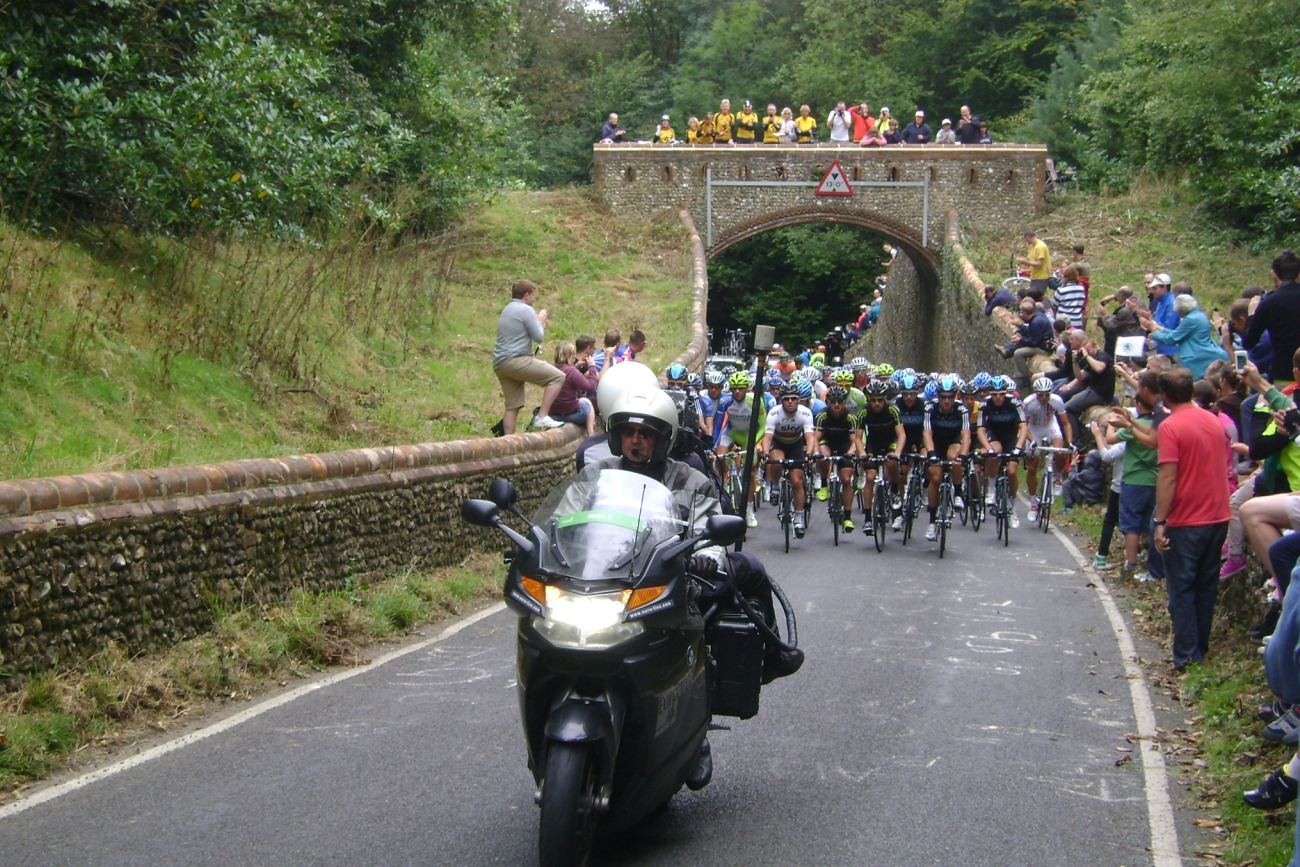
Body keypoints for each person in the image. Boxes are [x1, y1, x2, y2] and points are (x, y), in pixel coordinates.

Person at [1153, 366, 1232, 671]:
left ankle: (1186, 654)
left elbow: (1168, 476)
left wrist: (1161, 520)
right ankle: (1200, 646)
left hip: (1188, 518)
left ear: (1164, 395)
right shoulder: (1212, 421)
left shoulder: (1171, 427)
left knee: (1181, 589)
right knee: (1205, 585)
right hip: (1218, 514)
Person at [1106, 370, 1162, 581]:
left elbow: (1111, 439)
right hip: (1155, 479)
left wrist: (1111, 422)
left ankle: (1131, 563)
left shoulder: (1133, 428)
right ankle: (1150, 560)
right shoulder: (1157, 425)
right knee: (1152, 522)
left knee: (1131, 525)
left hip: (1133, 479)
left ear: (1139, 405)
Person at [492, 279, 565, 433]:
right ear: (526, 296)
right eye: (533, 296)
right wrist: (540, 321)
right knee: (557, 377)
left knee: (513, 405)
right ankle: (542, 416)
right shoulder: (526, 310)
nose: (534, 299)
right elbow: (539, 337)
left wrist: (537, 324)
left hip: (500, 363)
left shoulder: (508, 309)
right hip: (515, 360)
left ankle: (508, 444)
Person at [762, 383, 816, 538]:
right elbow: (767, 437)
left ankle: (799, 519)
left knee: (797, 482)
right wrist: (766, 453)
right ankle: (776, 486)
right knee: (777, 460)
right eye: (787, 399)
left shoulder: (805, 413)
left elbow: (810, 437)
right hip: (779, 444)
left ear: (799, 400)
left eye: (794, 399)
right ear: (782, 400)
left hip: (796, 446)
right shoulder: (774, 413)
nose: (790, 402)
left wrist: (810, 453)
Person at [921, 375, 971, 540]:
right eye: (943, 397)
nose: (947, 401)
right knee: (935, 477)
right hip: (936, 443)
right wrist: (931, 454)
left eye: (950, 397)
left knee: (954, 458)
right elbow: (927, 433)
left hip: (953, 442)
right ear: (938, 396)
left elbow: (966, 435)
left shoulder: (961, 409)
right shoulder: (930, 408)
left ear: (955, 396)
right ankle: (932, 521)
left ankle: (957, 492)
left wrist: (963, 456)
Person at [1140, 293, 1229, 379]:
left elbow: (1171, 339)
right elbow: (1178, 333)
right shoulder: (1198, 315)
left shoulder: (1190, 319)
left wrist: (1153, 330)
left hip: (1196, 359)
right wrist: (1159, 328)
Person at [1245, 250, 1300, 386]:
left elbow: (1249, 342)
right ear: (1298, 274)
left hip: (1284, 373)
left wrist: (1252, 315)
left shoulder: (1268, 303)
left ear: (1273, 273)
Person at [856, 380, 904, 536]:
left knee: (891, 465)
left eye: (880, 400)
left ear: (885, 398)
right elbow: (858, 438)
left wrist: (897, 453)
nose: (877, 403)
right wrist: (862, 454)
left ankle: (895, 493)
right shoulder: (863, 411)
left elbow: (901, 435)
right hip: (873, 445)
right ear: (869, 398)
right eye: (873, 400)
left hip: (890, 442)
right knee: (870, 477)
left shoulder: (892, 410)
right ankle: (868, 519)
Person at [1021, 376, 1071, 524]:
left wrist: (1071, 442)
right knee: (1031, 467)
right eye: (1040, 394)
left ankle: (1057, 477)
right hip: (1034, 430)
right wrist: (1031, 442)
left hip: (1050, 425)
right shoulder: (1028, 403)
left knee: (1059, 451)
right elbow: (1024, 426)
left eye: (1046, 394)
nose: (1043, 398)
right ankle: (1033, 503)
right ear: (1035, 393)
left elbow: (1066, 424)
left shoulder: (1056, 401)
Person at [813, 385, 862, 533]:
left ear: (844, 402)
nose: (836, 405)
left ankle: (847, 517)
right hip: (827, 442)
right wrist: (816, 453)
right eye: (833, 401)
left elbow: (855, 441)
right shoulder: (822, 416)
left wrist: (850, 453)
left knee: (846, 480)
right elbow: (816, 439)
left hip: (845, 446)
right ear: (828, 402)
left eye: (839, 402)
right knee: (822, 455)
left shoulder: (850, 418)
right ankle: (823, 485)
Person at [999, 298, 1056, 393]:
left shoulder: (1037, 322)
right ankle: (1007, 351)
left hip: (1043, 348)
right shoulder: (1036, 318)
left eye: (1021, 313)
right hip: (1039, 343)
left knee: (1018, 353)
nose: (1021, 315)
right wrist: (1021, 330)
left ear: (1026, 313)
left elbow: (1033, 342)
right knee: (1019, 343)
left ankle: (1022, 378)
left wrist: (1020, 339)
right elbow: (1030, 332)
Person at [550, 341, 600, 435]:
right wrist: (592, 367)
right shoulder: (572, 371)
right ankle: (590, 433)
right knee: (587, 402)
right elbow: (591, 387)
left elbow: (565, 377)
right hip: (570, 414)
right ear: (570, 355)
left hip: (553, 415)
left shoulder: (551, 368)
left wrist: (576, 366)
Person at [1016, 230, 1052, 300]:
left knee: (1037, 297)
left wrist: (1025, 262)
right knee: (1032, 296)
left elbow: (1039, 263)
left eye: (1026, 240)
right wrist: (1023, 260)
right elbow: (1031, 259)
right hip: (1034, 275)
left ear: (1029, 237)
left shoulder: (1040, 247)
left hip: (1041, 276)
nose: (1026, 242)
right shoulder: (1032, 246)